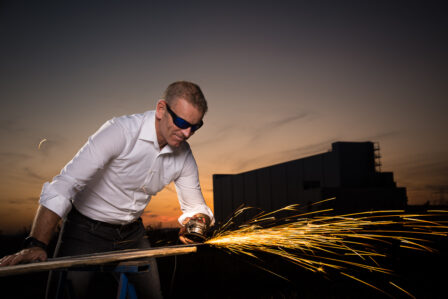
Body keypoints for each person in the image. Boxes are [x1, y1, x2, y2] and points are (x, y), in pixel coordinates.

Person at [0, 81, 214, 298]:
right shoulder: (120, 131)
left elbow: (196, 206)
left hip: (133, 235)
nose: (187, 133)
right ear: (161, 109)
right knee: (64, 294)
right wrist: (36, 243)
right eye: (180, 122)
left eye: (195, 127)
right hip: (84, 231)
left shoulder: (184, 155)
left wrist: (198, 220)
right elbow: (65, 185)